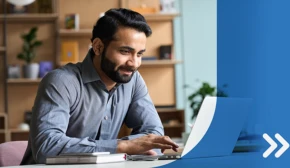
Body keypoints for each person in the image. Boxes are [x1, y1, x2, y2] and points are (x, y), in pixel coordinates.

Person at [20, 8, 178, 164]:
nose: (134, 63)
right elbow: (47, 147)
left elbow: (154, 134)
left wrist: (128, 147)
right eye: (125, 51)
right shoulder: (61, 82)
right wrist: (122, 146)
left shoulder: (133, 80)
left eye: (139, 54)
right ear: (98, 47)